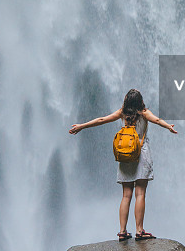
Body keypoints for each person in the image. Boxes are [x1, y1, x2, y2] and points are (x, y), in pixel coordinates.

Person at [68, 88, 178, 241]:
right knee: (140, 193)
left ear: (127, 101)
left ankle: (122, 231)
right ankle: (139, 231)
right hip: (141, 154)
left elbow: (101, 120)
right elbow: (157, 120)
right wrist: (168, 126)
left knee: (126, 195)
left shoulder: (122, 113)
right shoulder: (144, 113)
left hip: (125, 155)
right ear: (140, 101)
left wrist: (81, 126)